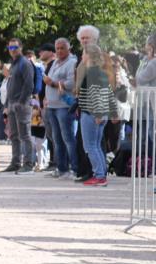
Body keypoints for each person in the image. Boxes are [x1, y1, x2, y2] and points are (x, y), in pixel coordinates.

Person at [76, 44, 120, 187]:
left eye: (83, 53)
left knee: (90, 147)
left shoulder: (92, 73)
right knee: (96, 146)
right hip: (98, 114)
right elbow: (108, 94)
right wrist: (112, 112)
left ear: (89, 56)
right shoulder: (100, 72)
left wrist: (99, 113)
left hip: (92, 114)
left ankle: (100, 176)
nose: (82, 56)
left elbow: (96, 94)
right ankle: (101, 174)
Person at [43, 38, 78, 179]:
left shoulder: (72, 62)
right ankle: (61, 168)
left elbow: (71, 83)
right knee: (56, 139)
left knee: (68, 138)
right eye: (57, 48)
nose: (59, 51)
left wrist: (52, 83)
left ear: (68, 49)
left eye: (62, 48)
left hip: (63, 106)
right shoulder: (55, 62)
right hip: (51, 105)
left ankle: (75, 169)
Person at [4, 38, 36, 175]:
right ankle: (15, 162)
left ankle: (29, 164)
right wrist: (6, 104)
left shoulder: (25, 63)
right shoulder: (13, 64)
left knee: (25, 135)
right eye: (10, 48)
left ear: (21, 47)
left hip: (21, 104)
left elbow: (29, 85)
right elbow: (9, 85)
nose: (13, 50)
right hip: (11, 104)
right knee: (14, 135)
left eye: (15, 47)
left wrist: (21, 102)